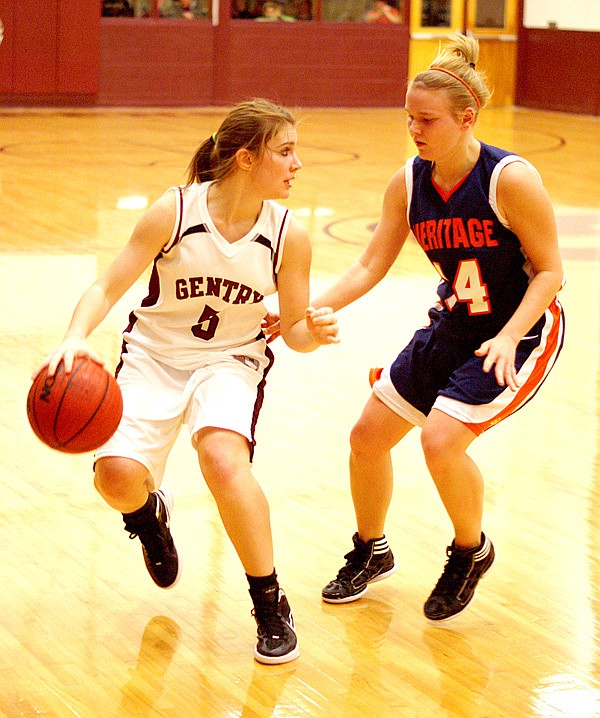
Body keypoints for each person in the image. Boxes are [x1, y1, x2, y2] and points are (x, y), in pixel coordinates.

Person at [41, 99, 339, 664]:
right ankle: (148, 515)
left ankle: (269, 600)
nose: (298, 164)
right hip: (154, 357)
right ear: (245, 160)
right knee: (116, 480)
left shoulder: (288, 236)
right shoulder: (174, 212)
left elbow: (294, 332)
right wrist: (74, 336)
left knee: (224, 461)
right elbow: (107, 285)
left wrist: (313, 332)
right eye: (286, 151)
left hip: (231, 360)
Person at [311, 34, 565, 620]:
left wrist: (506, 336)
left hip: (521, 329)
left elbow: (551, 272)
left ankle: (470, 551)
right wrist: (310, 308)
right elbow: (371, 262)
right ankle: (371, 551)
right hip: (457, 320)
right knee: (366, 437)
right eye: (409, 118)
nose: (415, 130)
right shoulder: (409, 181)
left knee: (441, 439)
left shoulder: (509, 179)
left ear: (465, 118)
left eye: (426, 120)